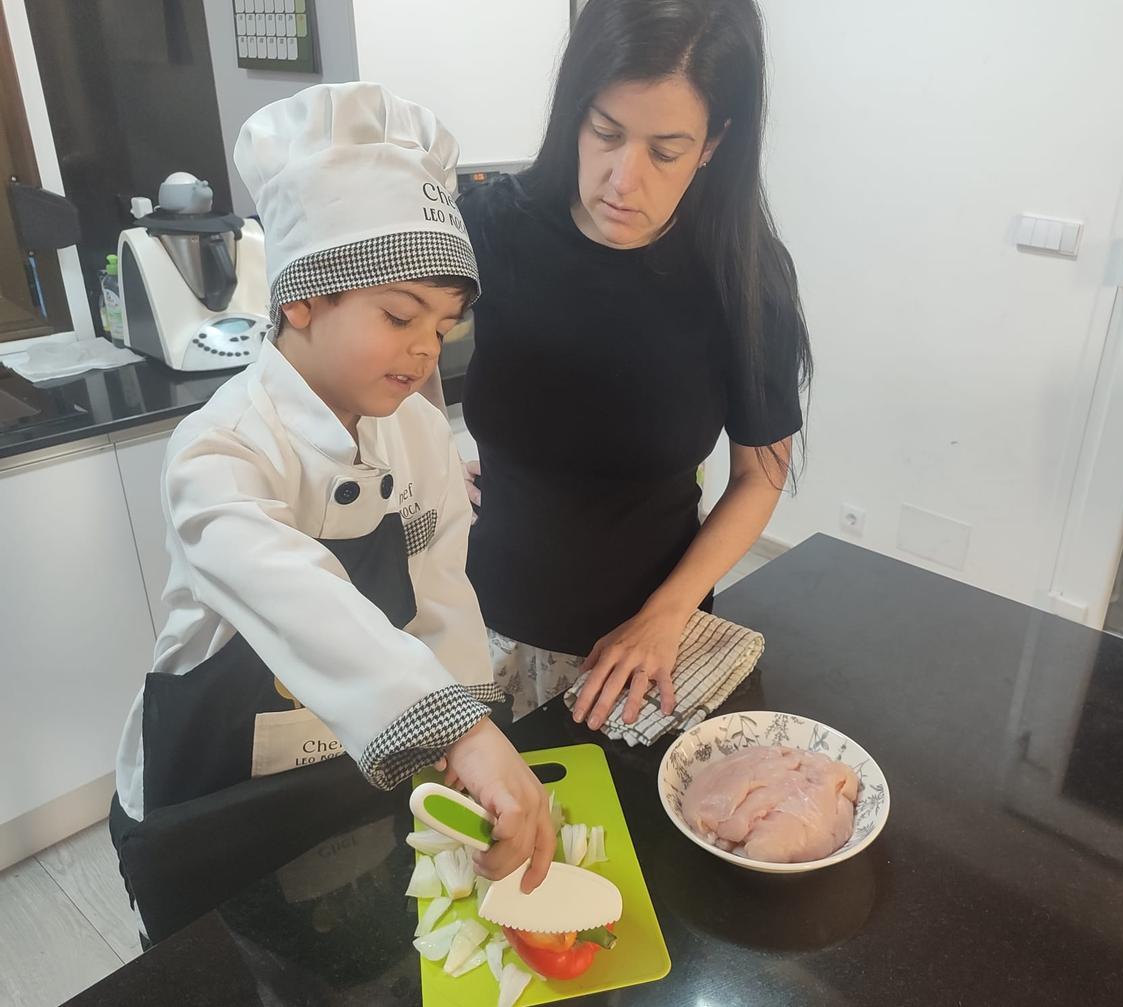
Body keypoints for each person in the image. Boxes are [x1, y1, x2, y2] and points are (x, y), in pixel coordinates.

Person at [109, 83, 553, 943]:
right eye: (400, 314)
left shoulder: (416, 433)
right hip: (210, 788)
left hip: (352, 757)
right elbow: (294, 593)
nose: (425, 348)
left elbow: (440, 597)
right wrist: (456, 730)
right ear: (301, 297)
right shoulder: (219, 451)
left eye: (444, 326)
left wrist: (466, 731)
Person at [458, 0, 811, 726]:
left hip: (643, 648)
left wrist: (666, 615)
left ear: (714, 143)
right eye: (606, 132)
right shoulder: (494, 227)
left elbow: (760, 476)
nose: (624, 178)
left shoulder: (744, 277)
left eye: (666, 150)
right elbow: (388, 359)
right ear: (575, 111)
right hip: (477, 619)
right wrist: (426, 461)